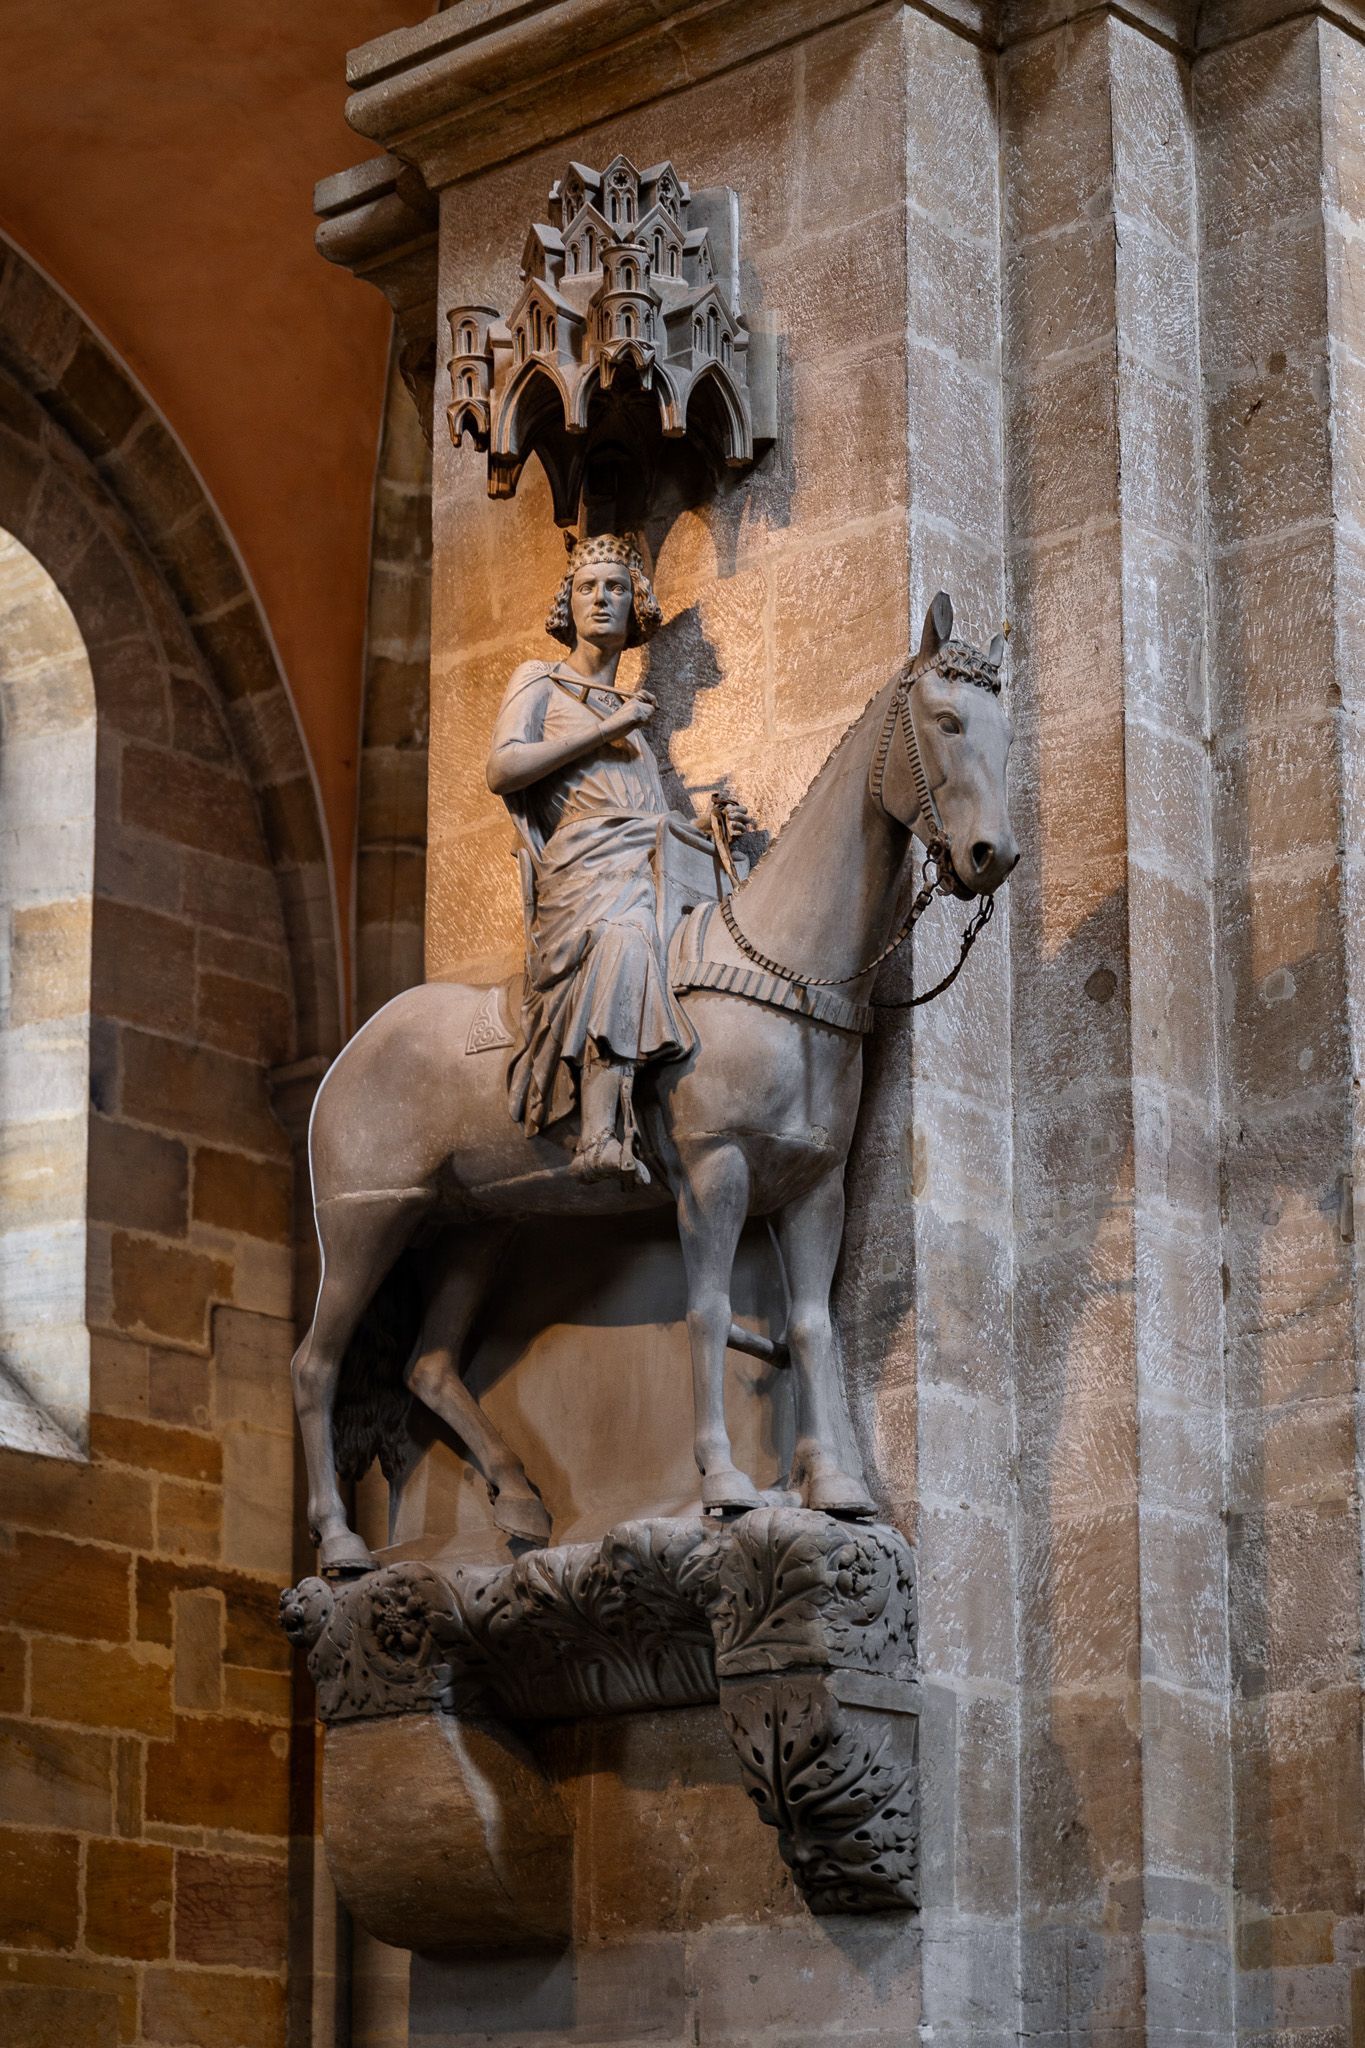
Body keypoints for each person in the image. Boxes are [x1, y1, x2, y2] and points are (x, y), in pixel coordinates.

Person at [486, 533, 746, 1184]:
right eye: (587, 588)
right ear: (567, 605)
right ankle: (600, 1132)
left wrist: (709, 828)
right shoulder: (540, 681)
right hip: (585, 867)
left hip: (639, 857)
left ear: (635, 607)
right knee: (628, 936)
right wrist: (608, 728)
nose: (601, 600)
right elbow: (503, 767)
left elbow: (646, 817)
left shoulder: (633, 723)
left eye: (615, 589)